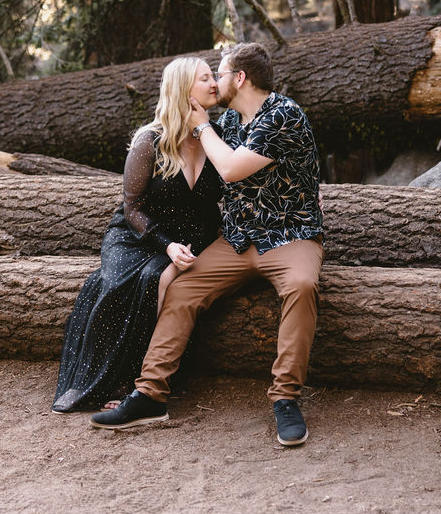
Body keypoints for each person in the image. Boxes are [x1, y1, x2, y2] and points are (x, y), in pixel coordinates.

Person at [90, 42, 324, 446]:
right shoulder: (231, 122)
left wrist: (201, 127)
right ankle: (149, 394)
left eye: (220, 72)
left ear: (240, 78)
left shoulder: (284, 115)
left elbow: (231, 169)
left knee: (302, 287)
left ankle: (285, 398)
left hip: (290, 235)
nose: (215, 81)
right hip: (235, 240)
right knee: (181, 287)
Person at [51, 57, 222, 413]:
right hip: (137, 235)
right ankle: (121, 380)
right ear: (183, 89)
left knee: (157, 278)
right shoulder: (150, 140)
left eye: (213, 77)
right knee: (126, 282)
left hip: (190, 238)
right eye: (205, 78)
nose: (214, 84)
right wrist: (166, 245)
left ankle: (144, 381)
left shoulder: (214, 135)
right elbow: (132, 207)